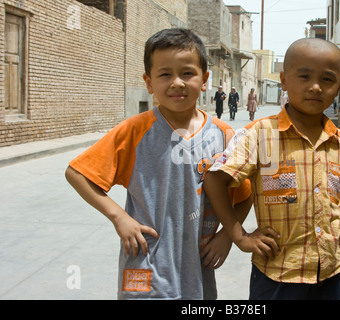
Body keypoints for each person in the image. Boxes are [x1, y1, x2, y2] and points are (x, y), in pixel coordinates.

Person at [65, 28, 252, 300]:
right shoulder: (134, 132)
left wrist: (228, 236)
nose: (177, 82)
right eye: (165, 74)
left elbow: (244, 196)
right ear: (149, 82)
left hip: (199, 268)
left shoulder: (223, 136)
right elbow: (77, 173)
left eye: (187, 73)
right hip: (146, 263)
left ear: (204, 80)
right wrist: (120, 218)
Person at [203, 38, 340, 300]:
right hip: (278, 273)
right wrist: (239, 236)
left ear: (339, 86)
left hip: (334, 269)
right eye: (304, 76)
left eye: (327, 80)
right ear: (284, 80)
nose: (315, 87)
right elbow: (214, 180)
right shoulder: (260, 135)